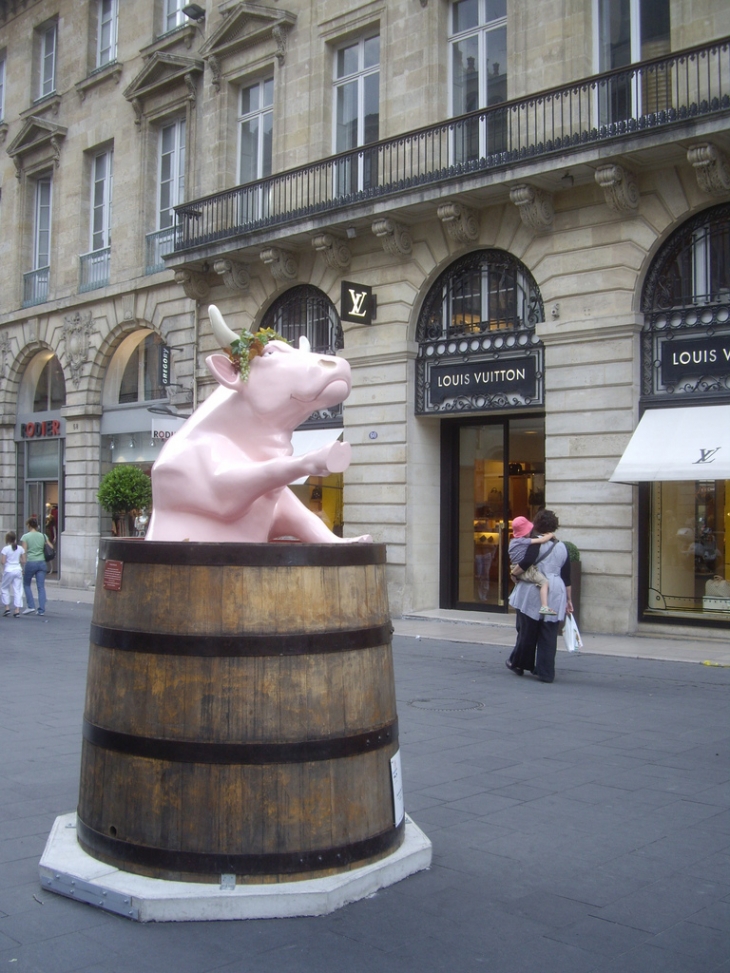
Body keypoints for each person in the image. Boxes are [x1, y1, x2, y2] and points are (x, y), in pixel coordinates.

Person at [505, 509, 573, 683]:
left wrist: (513, 573)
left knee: (527, 630)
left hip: (533, 589)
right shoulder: (562, 547)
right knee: (549, 633)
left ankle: (519, 663)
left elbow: (526, 563)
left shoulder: (534, 543)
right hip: (556, 590)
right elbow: (567, 577)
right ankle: (546, 671)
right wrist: (569, 600)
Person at [508, 516, 557, 615]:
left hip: (514, 567)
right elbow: (541, 540)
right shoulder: (524, 541)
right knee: (544, 582)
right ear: (526, 532)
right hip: (524, 569)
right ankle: (544, 606)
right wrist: (550, 535)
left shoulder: (513, 542)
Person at [20, 517, 52, 616]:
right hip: (42, 562)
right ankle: (41, 610)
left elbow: (23, 551)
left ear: (29, 525)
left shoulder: (25, 537)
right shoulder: (43, 536)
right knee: (41, 587)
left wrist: (23, 562)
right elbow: (51, 547)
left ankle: (30, 606)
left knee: (26, 584)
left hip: (31, 562)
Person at [1, 531, 25, 618]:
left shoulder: (5, 549)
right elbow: (24, 561)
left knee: (4, 587)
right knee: (17, 589)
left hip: (8, 570)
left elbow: (3, 561)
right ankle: (17, 610)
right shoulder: (20, 548)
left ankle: (7, 608)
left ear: (7, 539)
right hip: (18, 569)